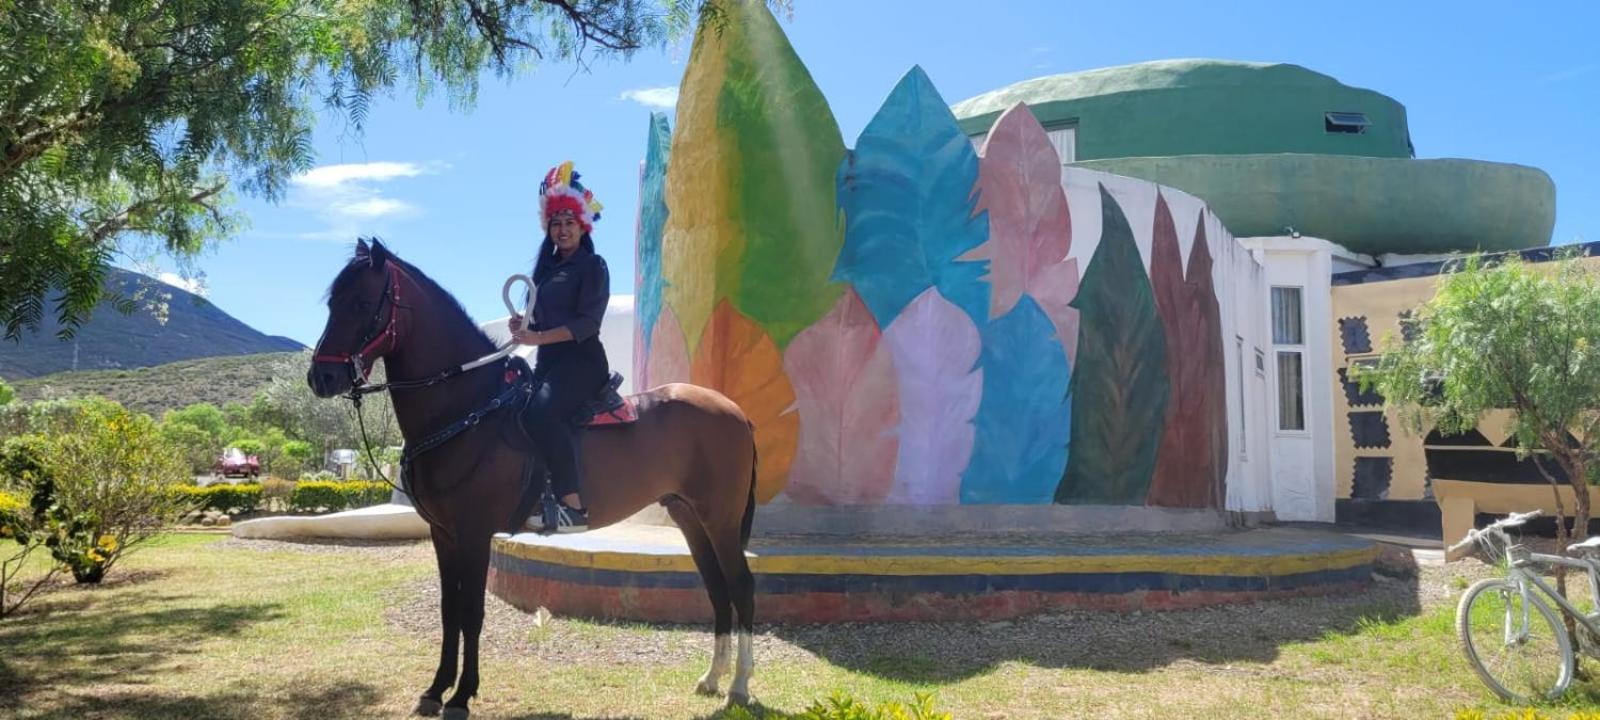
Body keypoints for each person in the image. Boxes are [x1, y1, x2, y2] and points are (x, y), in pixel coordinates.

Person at [509, 161, 609, 532]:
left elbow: (587, 323)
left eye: (569, 221)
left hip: (583, 362)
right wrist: (525, 326)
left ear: (583, 225)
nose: (563, 229)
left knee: (543, 413)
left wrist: (536, 338)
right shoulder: (547, 272)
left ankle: (574, 508)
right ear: (548, 228)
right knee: (517, 410)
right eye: (556, 222)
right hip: (550, 362)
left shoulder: (593, 266)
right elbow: (541, 322)